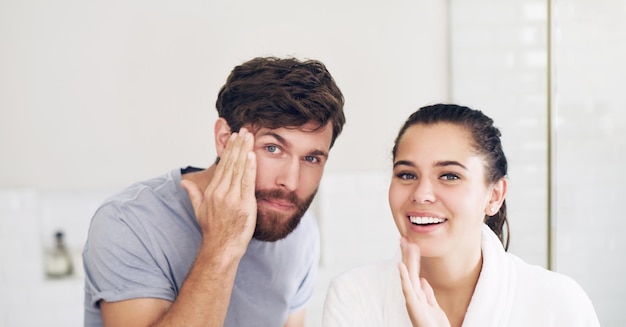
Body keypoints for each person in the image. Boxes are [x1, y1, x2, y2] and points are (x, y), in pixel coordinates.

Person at [83, 56, 346, 327]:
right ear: (224, 139)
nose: (291, 182)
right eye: (272, 148)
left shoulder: (301, 233)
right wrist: (223, 245)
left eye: (311, 159)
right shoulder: (129, 222)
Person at [322, 104, 599, 326]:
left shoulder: (557, 303)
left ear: (494, 196)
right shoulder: (355, 295)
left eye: (449, 176)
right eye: (407, 175)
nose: (421, 194)